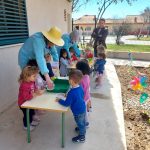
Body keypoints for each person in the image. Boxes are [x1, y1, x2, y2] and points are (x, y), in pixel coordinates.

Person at [56, 69, 86, 143]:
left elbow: (66, 103)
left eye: (69, 79)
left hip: (77, 111)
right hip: (82, 108)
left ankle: (82, 136)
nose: (68, 80)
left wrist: (59, 100)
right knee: (82, 121)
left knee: (79, 122)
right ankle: (81, 128)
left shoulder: (72, 92)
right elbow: (81, 95)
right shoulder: (80, 87)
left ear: (71, 81)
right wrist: (68, 96)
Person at [18, 66, 45, 131]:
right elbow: (26, 97)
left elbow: (34, 87)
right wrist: (35, 94)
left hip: (30, 101)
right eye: (34, 76)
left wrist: (37, 90)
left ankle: (31, 121)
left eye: (36, 76)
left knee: (32, 111)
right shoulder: (24, 85)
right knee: (27, 115)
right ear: (27, 76)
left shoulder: (31, 81)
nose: (35, 78)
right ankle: (26, 126)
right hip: (23, 103)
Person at [76, 61, 91, 126]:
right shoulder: (87, 76)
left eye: (77, 68)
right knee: (85, 111)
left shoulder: (81, 80)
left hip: (83, 99)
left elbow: (79, 91)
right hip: (87, 96)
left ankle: (85, 124)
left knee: (83, 113)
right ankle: (85, 122)